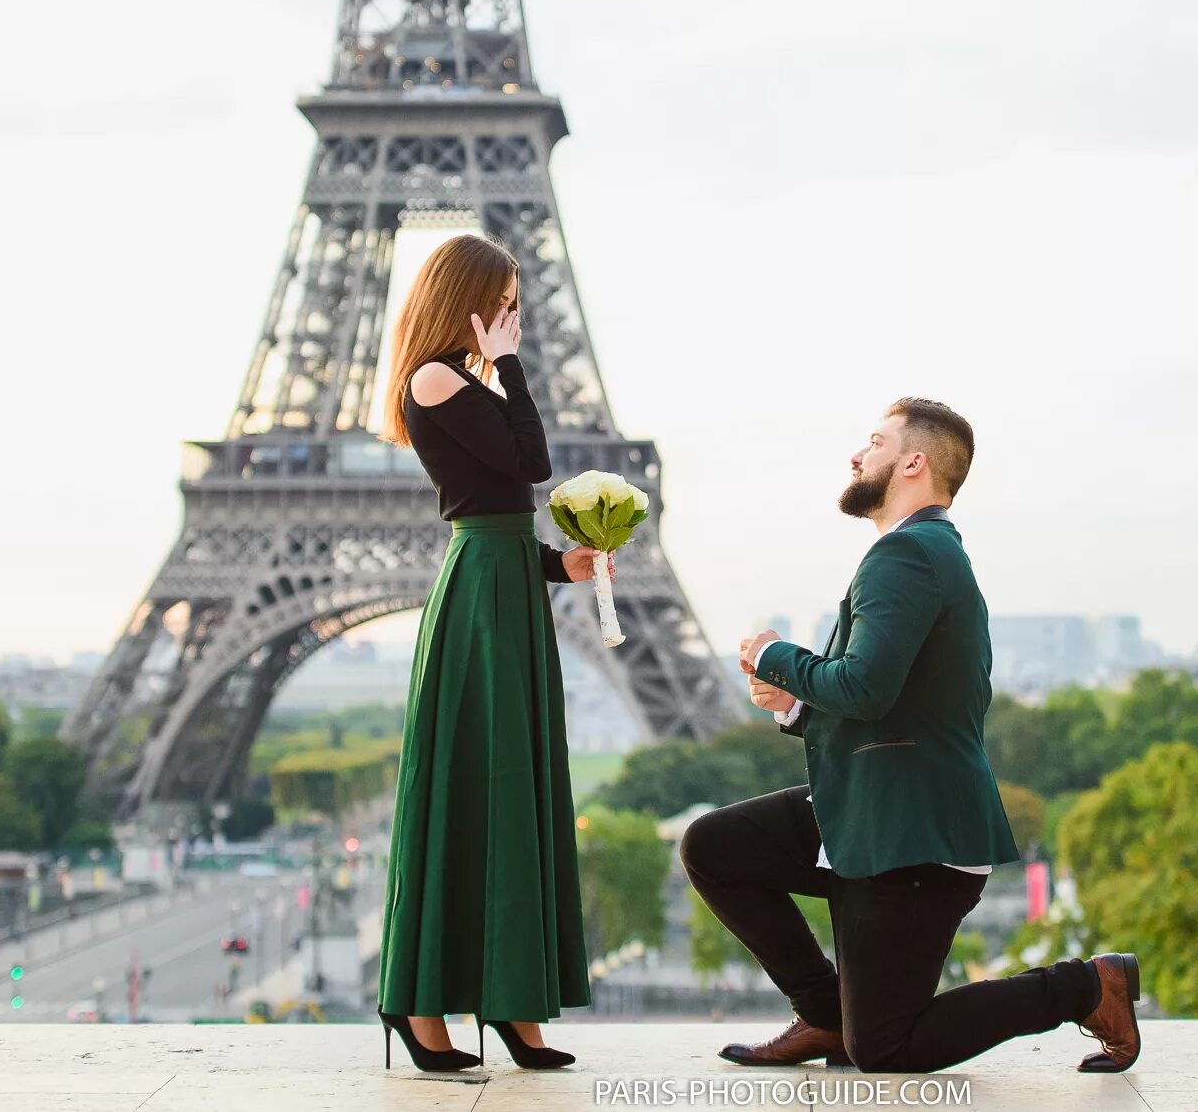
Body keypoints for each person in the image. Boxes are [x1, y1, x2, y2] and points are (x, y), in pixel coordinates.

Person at [680, 397, 1144, 1075]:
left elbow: (865, 687)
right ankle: (823, 1015)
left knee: (887, 1049)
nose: (857, 453)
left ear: (914, 462)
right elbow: (886, 702)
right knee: (714, 846)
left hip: (914, 836)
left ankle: (1086, 985)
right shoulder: (920, 552)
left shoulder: (907, 555)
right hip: (872, 809)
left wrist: (780, 656)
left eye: (874, 440)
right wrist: (794, 704)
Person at [373, 233, 605, 1072]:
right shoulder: (437, 377)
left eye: (514, 306)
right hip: (481, 598)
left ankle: (513, 1008)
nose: (512, 318)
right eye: (502, 303)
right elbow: (531, 463)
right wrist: (509, 366)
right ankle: (419, 1006)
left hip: (506, 580)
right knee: (482, 786)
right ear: (465, 299)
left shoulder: (463, 381)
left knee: (510, 788)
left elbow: (503, 505)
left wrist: (562, 563)